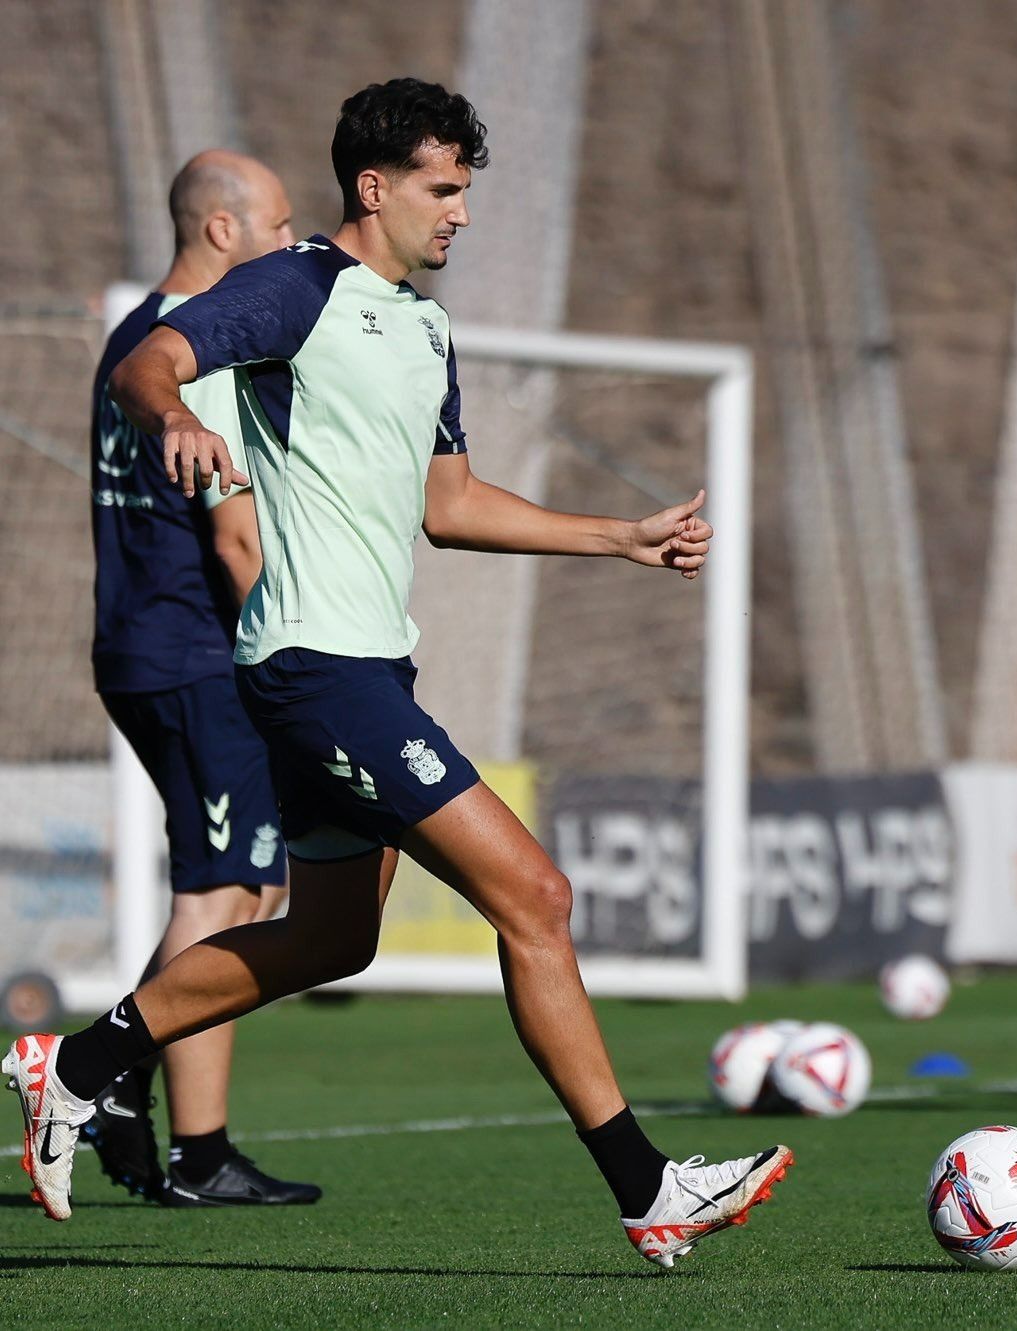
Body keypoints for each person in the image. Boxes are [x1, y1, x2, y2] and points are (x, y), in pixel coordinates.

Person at [5, 80, 791, 1266]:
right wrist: (172, 412)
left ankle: (78, 1062)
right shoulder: (295, 285)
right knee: (537, 896)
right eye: (443, 187)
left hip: (371, 665)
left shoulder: (423, 326)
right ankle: (648, 1183)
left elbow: (451, 504)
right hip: (311, 665)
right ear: (373, 187)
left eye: (466, 189)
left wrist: (618, 536)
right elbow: (151, 360)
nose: (460, 211)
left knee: (333, 942)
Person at [83, 149, 319, 1208]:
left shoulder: (133, 339)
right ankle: (172, 1124)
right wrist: (301, 654)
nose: (285, 240)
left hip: (147, 645)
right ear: (221, 230)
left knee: (248, 881)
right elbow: (235, 537)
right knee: (226, 888)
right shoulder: (200, 355)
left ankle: (125, 1081)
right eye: (273, 223)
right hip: (194, 650)